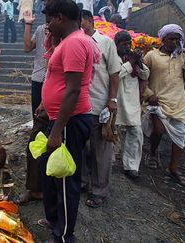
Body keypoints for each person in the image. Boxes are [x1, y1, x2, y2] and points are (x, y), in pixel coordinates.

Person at [38, 0, 99, 241]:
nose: (48, 26)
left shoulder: (75, 43)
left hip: (69, 122)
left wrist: (56, 132)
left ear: (60, 18)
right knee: (52, 173)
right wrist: (47, 106)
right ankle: (55, 221)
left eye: (50, 21)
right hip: (60, 120)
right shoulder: (68, 41)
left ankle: (64, 235)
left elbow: (72, 90)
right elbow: (57, 78)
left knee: (65, 180)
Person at [142, 24, 185, 186]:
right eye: (171, 38)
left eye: (177, 39)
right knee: (158, 131)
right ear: (163, 39)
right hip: (157, 101)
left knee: (180, 137)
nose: (174, 42)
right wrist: (148, 94)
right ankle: (153, 153)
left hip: (178, 102)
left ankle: (173, 168)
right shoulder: (152, 56)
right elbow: (141, 77)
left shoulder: (182, 57)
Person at [80, 10, 121, 208]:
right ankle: (82, 182)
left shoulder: (106, 43)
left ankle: (99, 190)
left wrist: (112, 99)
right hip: (79, 106)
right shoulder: (75, 42)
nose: (79, 26)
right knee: (80, 148)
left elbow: (115, 73)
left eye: (81, 22)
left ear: (90, 21)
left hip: (99, 105)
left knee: (101, 150)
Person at [16, 10, 48, 204]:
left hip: (54, 85)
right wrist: (28, 25)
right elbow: (27, 47)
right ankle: (34, 187)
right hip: (38, 81)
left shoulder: (67, 33)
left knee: (51, 136)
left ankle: (48, 187)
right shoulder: (42, 29)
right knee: (37, 135)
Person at [114, 31, 150, 179]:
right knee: (111, 133)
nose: (127, 47)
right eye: (124, 44)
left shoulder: (133, 59)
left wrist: (138, 62)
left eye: (129, 43)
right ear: (116, 45)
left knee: (135, 133)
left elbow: (145, 75)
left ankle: (131, 166)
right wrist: (131, 63)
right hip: (116, 100)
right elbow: (117, 73)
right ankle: (108, 162)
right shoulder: (113, 57)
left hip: (132, 101)